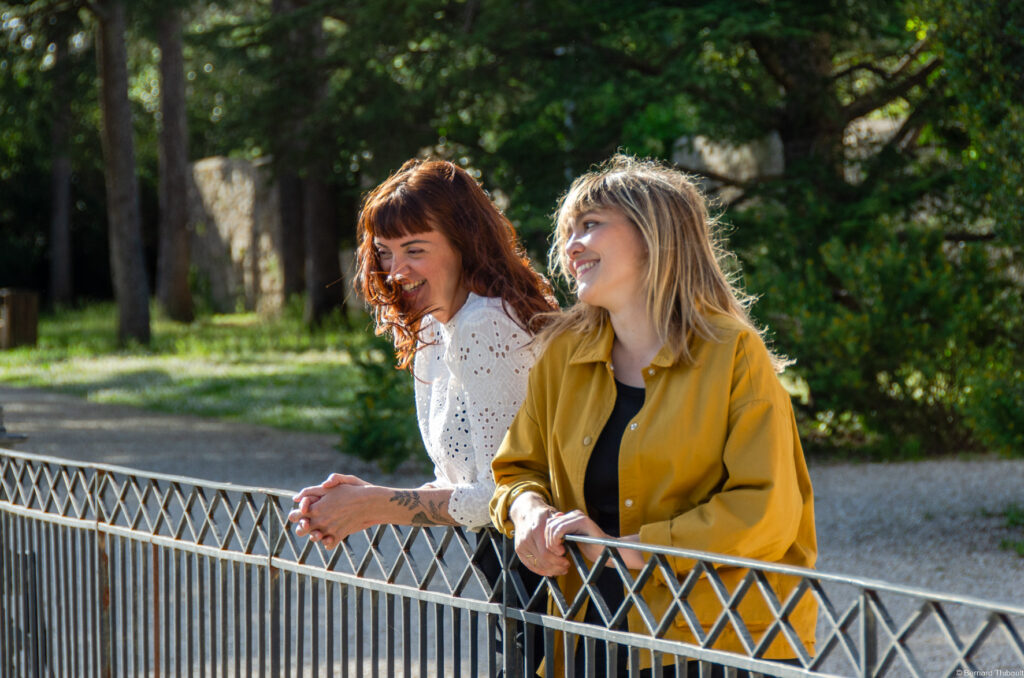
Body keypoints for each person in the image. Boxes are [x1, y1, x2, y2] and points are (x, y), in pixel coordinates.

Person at [489, 154, 817, 677]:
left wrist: (628, 551)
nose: (571, 246)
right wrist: (529, 514)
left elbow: (766, 510)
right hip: (592, 630)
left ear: (654, 235)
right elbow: (518, 470)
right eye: (568, 232)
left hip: (719, 639)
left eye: (590, 225)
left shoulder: (734, 352)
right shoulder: (562, 355)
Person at [287, 158, 554, 675]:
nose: (395, 270)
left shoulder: (485, 325)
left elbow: (498, 495)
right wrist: (365, 498)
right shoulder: (435, 325)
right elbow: (461, 481)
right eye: (385, 252)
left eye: (415, 249)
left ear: (464, 242)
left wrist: (373, 506)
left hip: (546, 568)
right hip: (507, 566)